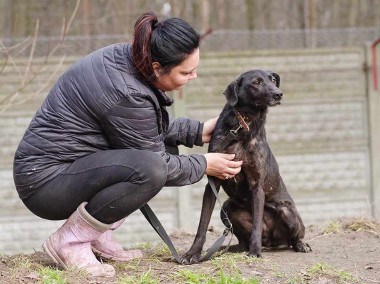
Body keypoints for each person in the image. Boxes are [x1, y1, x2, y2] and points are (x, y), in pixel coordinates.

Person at [13, 12, 243, 277]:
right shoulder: (125, 90)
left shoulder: (130, 60)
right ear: (157, 67)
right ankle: (70, 242)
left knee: (156, 156)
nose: (194, 76)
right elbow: (157, 160)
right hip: (46, 184)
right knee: (152, 168)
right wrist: (204, 164)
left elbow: (142, 128)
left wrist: (198, 131)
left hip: (63, 169)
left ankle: (95, 234)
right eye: (186, 72)